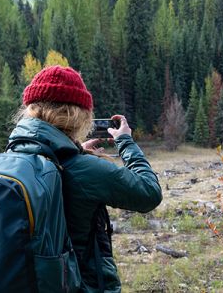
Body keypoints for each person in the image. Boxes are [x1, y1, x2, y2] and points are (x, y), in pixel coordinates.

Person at [9, 65, 163, 292]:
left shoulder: (12, 160)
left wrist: (75, 149)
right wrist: (126, 142)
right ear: (78, 115)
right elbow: (149, 193)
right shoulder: (86, 169)